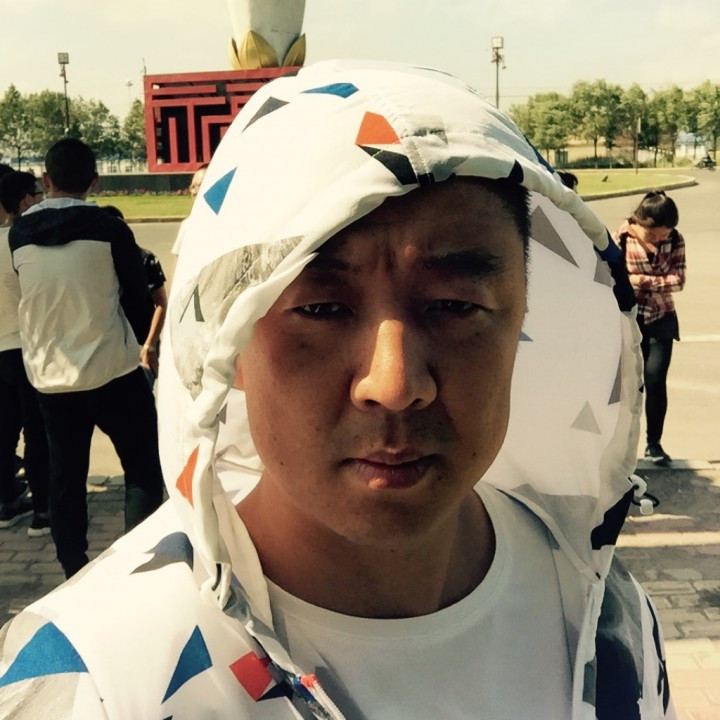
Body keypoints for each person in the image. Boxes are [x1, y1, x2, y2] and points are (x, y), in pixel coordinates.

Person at [0, 62, 674, 719]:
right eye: (321, 309)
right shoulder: (99, 681)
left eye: (454, 305)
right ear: (225, 340)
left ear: (525, 316)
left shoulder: (600, 611)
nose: (395, 385)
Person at [7, 138, 165, 578]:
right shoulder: (110, 229)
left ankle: (73, 568)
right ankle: (141, 561)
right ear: (95, 181)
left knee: (66, 477)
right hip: (113, 369)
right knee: (142, 469)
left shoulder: (19, 234)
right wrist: (143, 344)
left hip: (52, 378)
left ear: (46, 179)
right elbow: (137, 297)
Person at [614, 191, 686, 466]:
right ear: (642, 223)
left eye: (664, 233)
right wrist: (656, 281)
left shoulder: (675, 240)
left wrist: (639, 280)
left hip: (661, 318)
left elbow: (678, 281)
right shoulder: (621, 238)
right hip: (630, 320)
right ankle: (621, 446)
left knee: (655, 381)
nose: (660, 238)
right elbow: (617, 279)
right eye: (655, 233)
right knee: (629, 386)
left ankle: (654, 444)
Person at [0, 171, 50, 535]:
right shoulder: (22, 241)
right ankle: (43, 511)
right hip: (26, 346)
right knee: (37, 430)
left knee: (4, 431)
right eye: (38, 193)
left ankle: (6, 502)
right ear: (24, 201)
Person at [103, 205, 168, 381]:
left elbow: (161, 302)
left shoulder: (145, 259)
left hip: (141, 342)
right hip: (109, 347)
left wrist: (150, 345)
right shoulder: (98, 263)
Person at [170, 162, 209, 261]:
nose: (194, 191)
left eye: (199, 185)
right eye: (192, 187)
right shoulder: (188, 225)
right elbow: (177, 262)